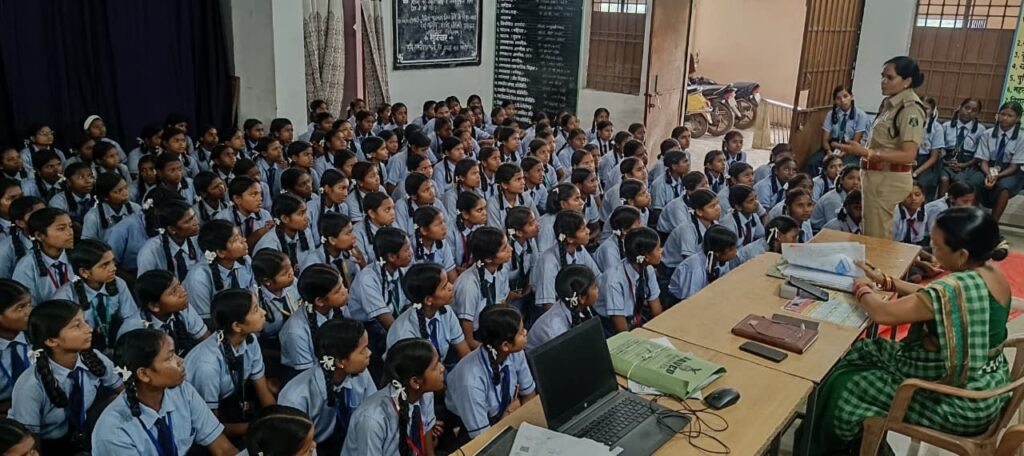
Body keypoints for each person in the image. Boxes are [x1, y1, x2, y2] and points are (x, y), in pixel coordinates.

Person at [799, 207, 1012, 454]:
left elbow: (883, 313)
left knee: (845, 383)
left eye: (937, 246)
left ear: (962, 254)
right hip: (987, 382)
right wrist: (887, 281)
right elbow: (931, 298)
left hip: (959, 402)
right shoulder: (990, 273)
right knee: (864, 350)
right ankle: (846, 439)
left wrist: (861, 288)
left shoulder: (955, 288)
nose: (932, 250)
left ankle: (828, 446)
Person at [92, 328, 237, 455]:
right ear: (144, 374)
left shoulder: (183, 391)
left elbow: (223, 449)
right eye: (170, 357)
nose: (180, 360)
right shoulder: (114, 431)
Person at [10, 299, 124, 453]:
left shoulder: (94, 358)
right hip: (50, 446)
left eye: (85, 322)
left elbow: (123, 390)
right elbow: (31, 443)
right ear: (51, 340)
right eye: (77, 326)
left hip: (87, 434)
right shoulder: (30, 386)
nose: (89, 329)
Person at [836, 56, 926, 239]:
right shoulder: (890, 104)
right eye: (882, 76)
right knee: (871, 231)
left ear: (907, 81)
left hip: (887, 180)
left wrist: (868, 152)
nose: (883, 81)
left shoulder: (909, 109)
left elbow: (909, 154)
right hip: (876, 177)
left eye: (890, 77)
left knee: (876, 239)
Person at [279, 318, 373, 455]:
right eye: (363, 350)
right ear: (340, 362)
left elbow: (371, 412)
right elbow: (297, 448)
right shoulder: (296, 397)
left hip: (353, 443)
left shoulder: (361, 373)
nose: (369, 353)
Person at [341, 338, 445, 456]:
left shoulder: (426, 394)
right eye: (435, 366)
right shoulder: (372, 420)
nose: (442, 368)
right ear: (415, 382)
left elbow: (426, 438)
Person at [446, 306, 536, 439]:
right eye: (520, 332)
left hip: (504, 419)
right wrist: (508, 417)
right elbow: (483, 439)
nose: (525, 332)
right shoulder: (471, 380)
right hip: (467, 426)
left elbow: (529, 396)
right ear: (505, 345)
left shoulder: (516, 352)